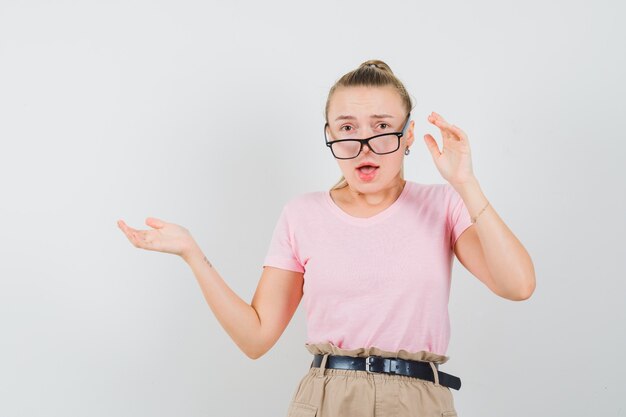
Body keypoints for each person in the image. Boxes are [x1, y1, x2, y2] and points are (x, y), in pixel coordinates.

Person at [117, 59, 536, 417]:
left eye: (383, 126)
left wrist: (466, 183)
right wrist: (193, 254)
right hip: (326, 399)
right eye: (347, 127)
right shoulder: (302, 215)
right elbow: (256, 337)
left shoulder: (444, 204)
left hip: (418, 400)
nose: (365, 144)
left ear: (408, 135)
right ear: (330, 135)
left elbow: (518, 285)